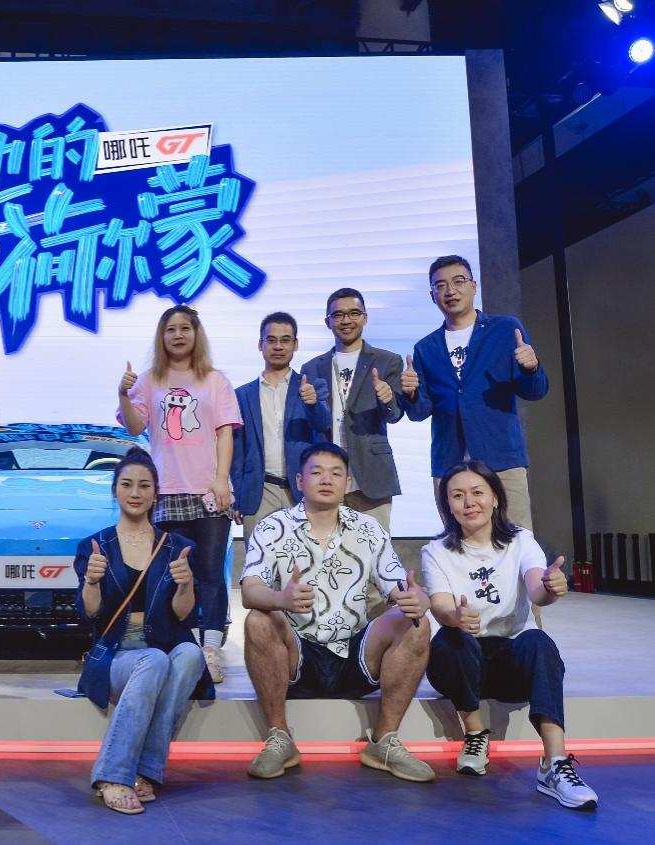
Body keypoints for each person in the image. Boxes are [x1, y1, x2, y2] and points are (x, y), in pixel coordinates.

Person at [240, 443, 435, 782]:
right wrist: (280, 598)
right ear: (299, 481)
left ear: (348, 483)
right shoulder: (273, 527)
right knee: (258, 619)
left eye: (335, 473)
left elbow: (400, 587)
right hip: (296, 657)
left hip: (355, 656)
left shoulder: (368, 528)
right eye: (316, 472)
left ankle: (384, 742)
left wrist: (419, 599)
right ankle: (279, 738)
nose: (326, 480)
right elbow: (249, 590)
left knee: (414, 622)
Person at [423, 461, 597, 809]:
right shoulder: (436, 550)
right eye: (457, 496)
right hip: (462, 665)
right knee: (449, 639)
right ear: (447, 506)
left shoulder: (520, 540)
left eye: (477, 492)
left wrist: (551, 587)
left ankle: (555, 764)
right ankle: (475, 734)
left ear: (495, 498)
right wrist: (455, 617)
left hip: (511, 663)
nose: (469, 502)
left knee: (539, 642)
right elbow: (440, 606)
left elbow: (537, 591)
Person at [72, 447, 213, 815]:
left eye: (144, 486)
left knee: (190, 653)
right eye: (127, 484)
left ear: (155, 494)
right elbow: (90, 614)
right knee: (153, 660)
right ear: (114, 490)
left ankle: (145, 770)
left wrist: (185, 585)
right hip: (116, 656)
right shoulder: (95, 545)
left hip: (162, 647)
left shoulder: (179, 547)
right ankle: (113, 775)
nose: (135, 493)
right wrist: (91, 581)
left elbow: (183, 616)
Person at [117, 305, 241, 683]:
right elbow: (134, 426)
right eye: (170, 329)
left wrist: (221, 479)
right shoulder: (149, 380)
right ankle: (179, 647)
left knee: (210, 574)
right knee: (172, 574)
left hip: (208, 491)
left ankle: (211, 649)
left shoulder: (215, 380)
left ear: (196, 334)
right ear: (162, 336)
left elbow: (225, 433)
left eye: (185, 328)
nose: (178, 335)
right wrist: (123, 393)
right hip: (167, 491)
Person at [401, 255, 548, 534]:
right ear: (432, 296)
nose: (450, 291)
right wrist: (410, 393)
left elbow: (536, 391)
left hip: (501, 458)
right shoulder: (425, 347)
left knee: (516, 541)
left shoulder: (505, 329)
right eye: (440, 286)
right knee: (459, 544)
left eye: (458, 281)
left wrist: (531, 368)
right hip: (449, 463)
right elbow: (419, 412)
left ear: (474, 286)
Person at [301, 288, 409, 532]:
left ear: (365, 318)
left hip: (371, 473)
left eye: (353, 313)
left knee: (374, 547)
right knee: (326, 548)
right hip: (328, 476)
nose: (346, 320)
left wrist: (388, 399)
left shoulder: (387, 361)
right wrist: (311, 405)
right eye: (338, 315)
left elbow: (394, 415)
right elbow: (317, 424)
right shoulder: (312, 367)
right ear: (327, 321)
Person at [231, 312, 329, 559]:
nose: (278, 346)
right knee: (260, 566)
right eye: (271, 340)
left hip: (303, 491)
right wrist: (237, 498)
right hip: (259, 491)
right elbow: (238, 450)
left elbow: (323, 425)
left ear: (295, 344)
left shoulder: (311, 387)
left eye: (285, 340)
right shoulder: (242, 395)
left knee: (307, 565)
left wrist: (313, 404)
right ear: (260, 344)